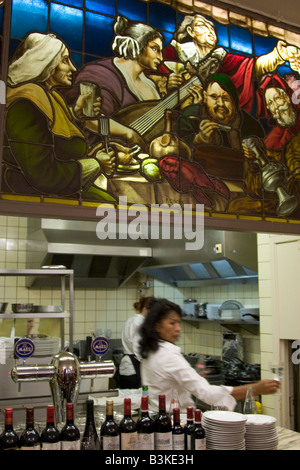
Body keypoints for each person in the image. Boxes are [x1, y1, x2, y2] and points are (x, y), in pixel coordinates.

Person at [4, 32, 140, 201]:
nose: (73, 68)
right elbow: (45, 175)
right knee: (115, 205)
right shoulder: (25, 106)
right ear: (45, 63)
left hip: (58, 192)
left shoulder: (49, 98)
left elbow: (54, 135)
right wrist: (96, 163)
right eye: (65, 60)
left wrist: (76, 113)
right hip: (32, 198)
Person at [139, 298, 279, 412]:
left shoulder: (151, 349)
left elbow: (164, 382)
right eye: (172, 323)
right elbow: (208, 394)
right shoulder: (169, 355)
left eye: (179, 323)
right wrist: (255, 389)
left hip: (158, 418)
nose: (178, 328)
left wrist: (191, 377)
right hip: (176, 422)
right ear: (157, 326)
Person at [161, 13, 298, 114]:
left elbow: (254, 66)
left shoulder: (223, 59)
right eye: (203, 26)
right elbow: (151, 75)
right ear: (190, 31)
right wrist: (165, 83)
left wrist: (280, 55)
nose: (210, 32)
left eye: (212, 28)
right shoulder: (173, 53)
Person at [118, 296, 154, 389]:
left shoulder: (131, 319)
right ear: (146, 309)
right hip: (133, 368)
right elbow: (138, 347)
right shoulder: (140, 322)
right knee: (136, 399)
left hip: (127, 367)